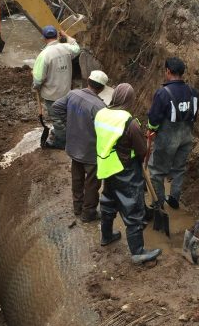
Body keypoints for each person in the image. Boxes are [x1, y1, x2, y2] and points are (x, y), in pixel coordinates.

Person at [95, 83, 162, 264]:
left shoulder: (101, 114)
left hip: (106, 166)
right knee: (133, 208)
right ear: (130, 100)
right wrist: (139, 157)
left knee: (108, 201)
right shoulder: (129, 122)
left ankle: (106, 236)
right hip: (125, 170)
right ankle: (138, 251)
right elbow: (141, 150)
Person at [53, 71, 108, 222]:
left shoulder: (73, 95)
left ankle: (77, 207)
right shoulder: (100, 107)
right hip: (90, 152)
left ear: (88, 81)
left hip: (73, 146)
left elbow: (56, 107)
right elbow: (105, 133)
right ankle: (88, 213)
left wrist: (68, 125)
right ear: (102, 88)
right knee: (92, 184)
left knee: (77, 178)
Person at [147, 57, 199, 210]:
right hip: (187, 135)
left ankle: (158, 202)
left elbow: (154, 118)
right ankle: (175, 197)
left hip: (167, 138)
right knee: (179, 168)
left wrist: (152, 129)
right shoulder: (193, 92)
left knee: (156, 171)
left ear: (168, 71)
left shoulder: (162, 93)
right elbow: (194, 115)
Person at [33, 26, 81, 149]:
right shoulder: (67, 48)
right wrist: (67, 36)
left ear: (44, 38)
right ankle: (67, 133)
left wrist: (35, 86)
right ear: (57, 36)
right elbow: (77, 47)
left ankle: (62, 143)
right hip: (66, 91)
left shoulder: (43, 55)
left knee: (57, 119)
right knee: (65, 115)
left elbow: (38, 79)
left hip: (52, 94)